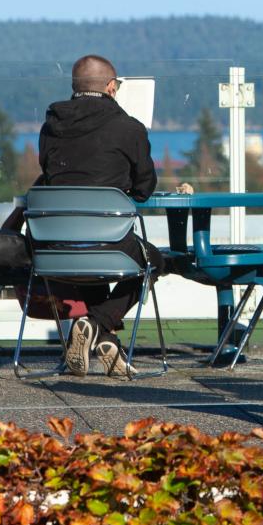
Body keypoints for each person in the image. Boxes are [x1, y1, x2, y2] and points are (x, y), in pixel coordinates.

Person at [38, 54, 173, 377]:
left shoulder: (50, 127)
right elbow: (143, 189)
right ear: (112, 88)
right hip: (108, 242)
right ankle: (96, 324)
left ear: (75, 87)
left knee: (86, 251)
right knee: (155, 261)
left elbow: (48, 175)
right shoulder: (128, 128)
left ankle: (104, 337)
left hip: (53, 248)